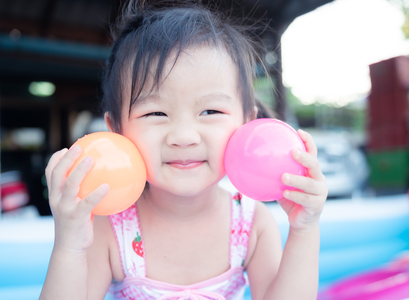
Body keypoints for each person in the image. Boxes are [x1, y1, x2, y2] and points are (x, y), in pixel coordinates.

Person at [39, 2, 327, 300]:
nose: (184, 137)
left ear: (248, 123)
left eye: (210, 110)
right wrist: (70, 243)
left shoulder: (250, 223)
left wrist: (304, 230)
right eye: (156, 114)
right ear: (117, 131)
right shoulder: (111, 228)